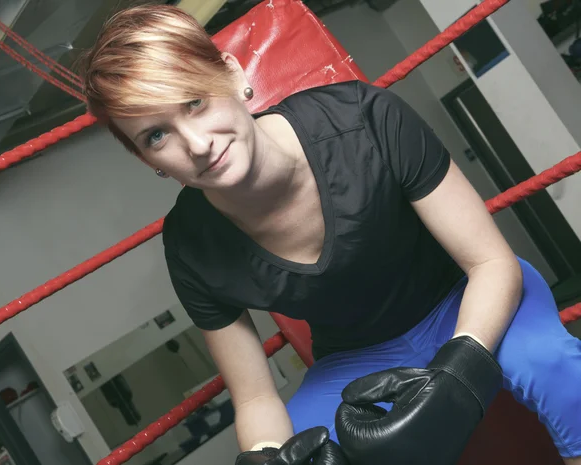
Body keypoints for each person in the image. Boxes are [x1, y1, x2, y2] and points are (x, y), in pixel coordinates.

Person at [79, 4, 581, 464]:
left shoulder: (364, 120)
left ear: (231, 75)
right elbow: (255, 398)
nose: (197, 143)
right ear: (147, 160)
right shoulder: (190, 245)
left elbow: (491, 264)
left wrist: (459, 369)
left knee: (553, 367)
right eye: (156, 135)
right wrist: (265, 458)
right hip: (356, 358)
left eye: (194, 101)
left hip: (463, 295)